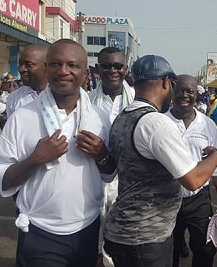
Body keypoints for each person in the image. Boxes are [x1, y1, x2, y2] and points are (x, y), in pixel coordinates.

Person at [0, 39, 111, 267]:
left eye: (72, 65)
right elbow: (0, 177)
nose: (63, 71)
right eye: (56, 64)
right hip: (40, 231)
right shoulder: (23, 117)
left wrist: (101, 154)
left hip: (87, 227)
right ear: (46, 69)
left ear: (85, 74)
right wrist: (35, 160)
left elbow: (110, 174)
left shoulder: (99, 118)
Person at [104, 55, 217, 267]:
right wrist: (216, 156)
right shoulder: (156, 123)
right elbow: (193, 180)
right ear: (166, 83)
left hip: (122, 231)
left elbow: (110, 170)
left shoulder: (122, 118)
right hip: (146, 238)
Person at [166, 74, 217, 267]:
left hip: (199, 199)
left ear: (197, 94)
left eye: (189, 91)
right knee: (170, 250)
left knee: (204, 249)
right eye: (179, 91)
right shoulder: (161, 122)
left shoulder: (208, 125)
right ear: (172, 92)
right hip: (167, 199)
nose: (184, 95)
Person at [89, 46, 135, 267]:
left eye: (118, 66)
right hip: (94, 177)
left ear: (125, 69)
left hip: (128, 182)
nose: (112, 71)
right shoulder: (86, 101)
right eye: (106, 66)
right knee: (95, 238)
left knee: (123, 241)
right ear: (98, 68)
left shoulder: (137, 101)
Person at [6, 44, 49, 117]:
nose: (21, 69)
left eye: (29, 65)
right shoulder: (14, 98)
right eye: (20, 64)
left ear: (47, 66)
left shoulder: (64, 97)